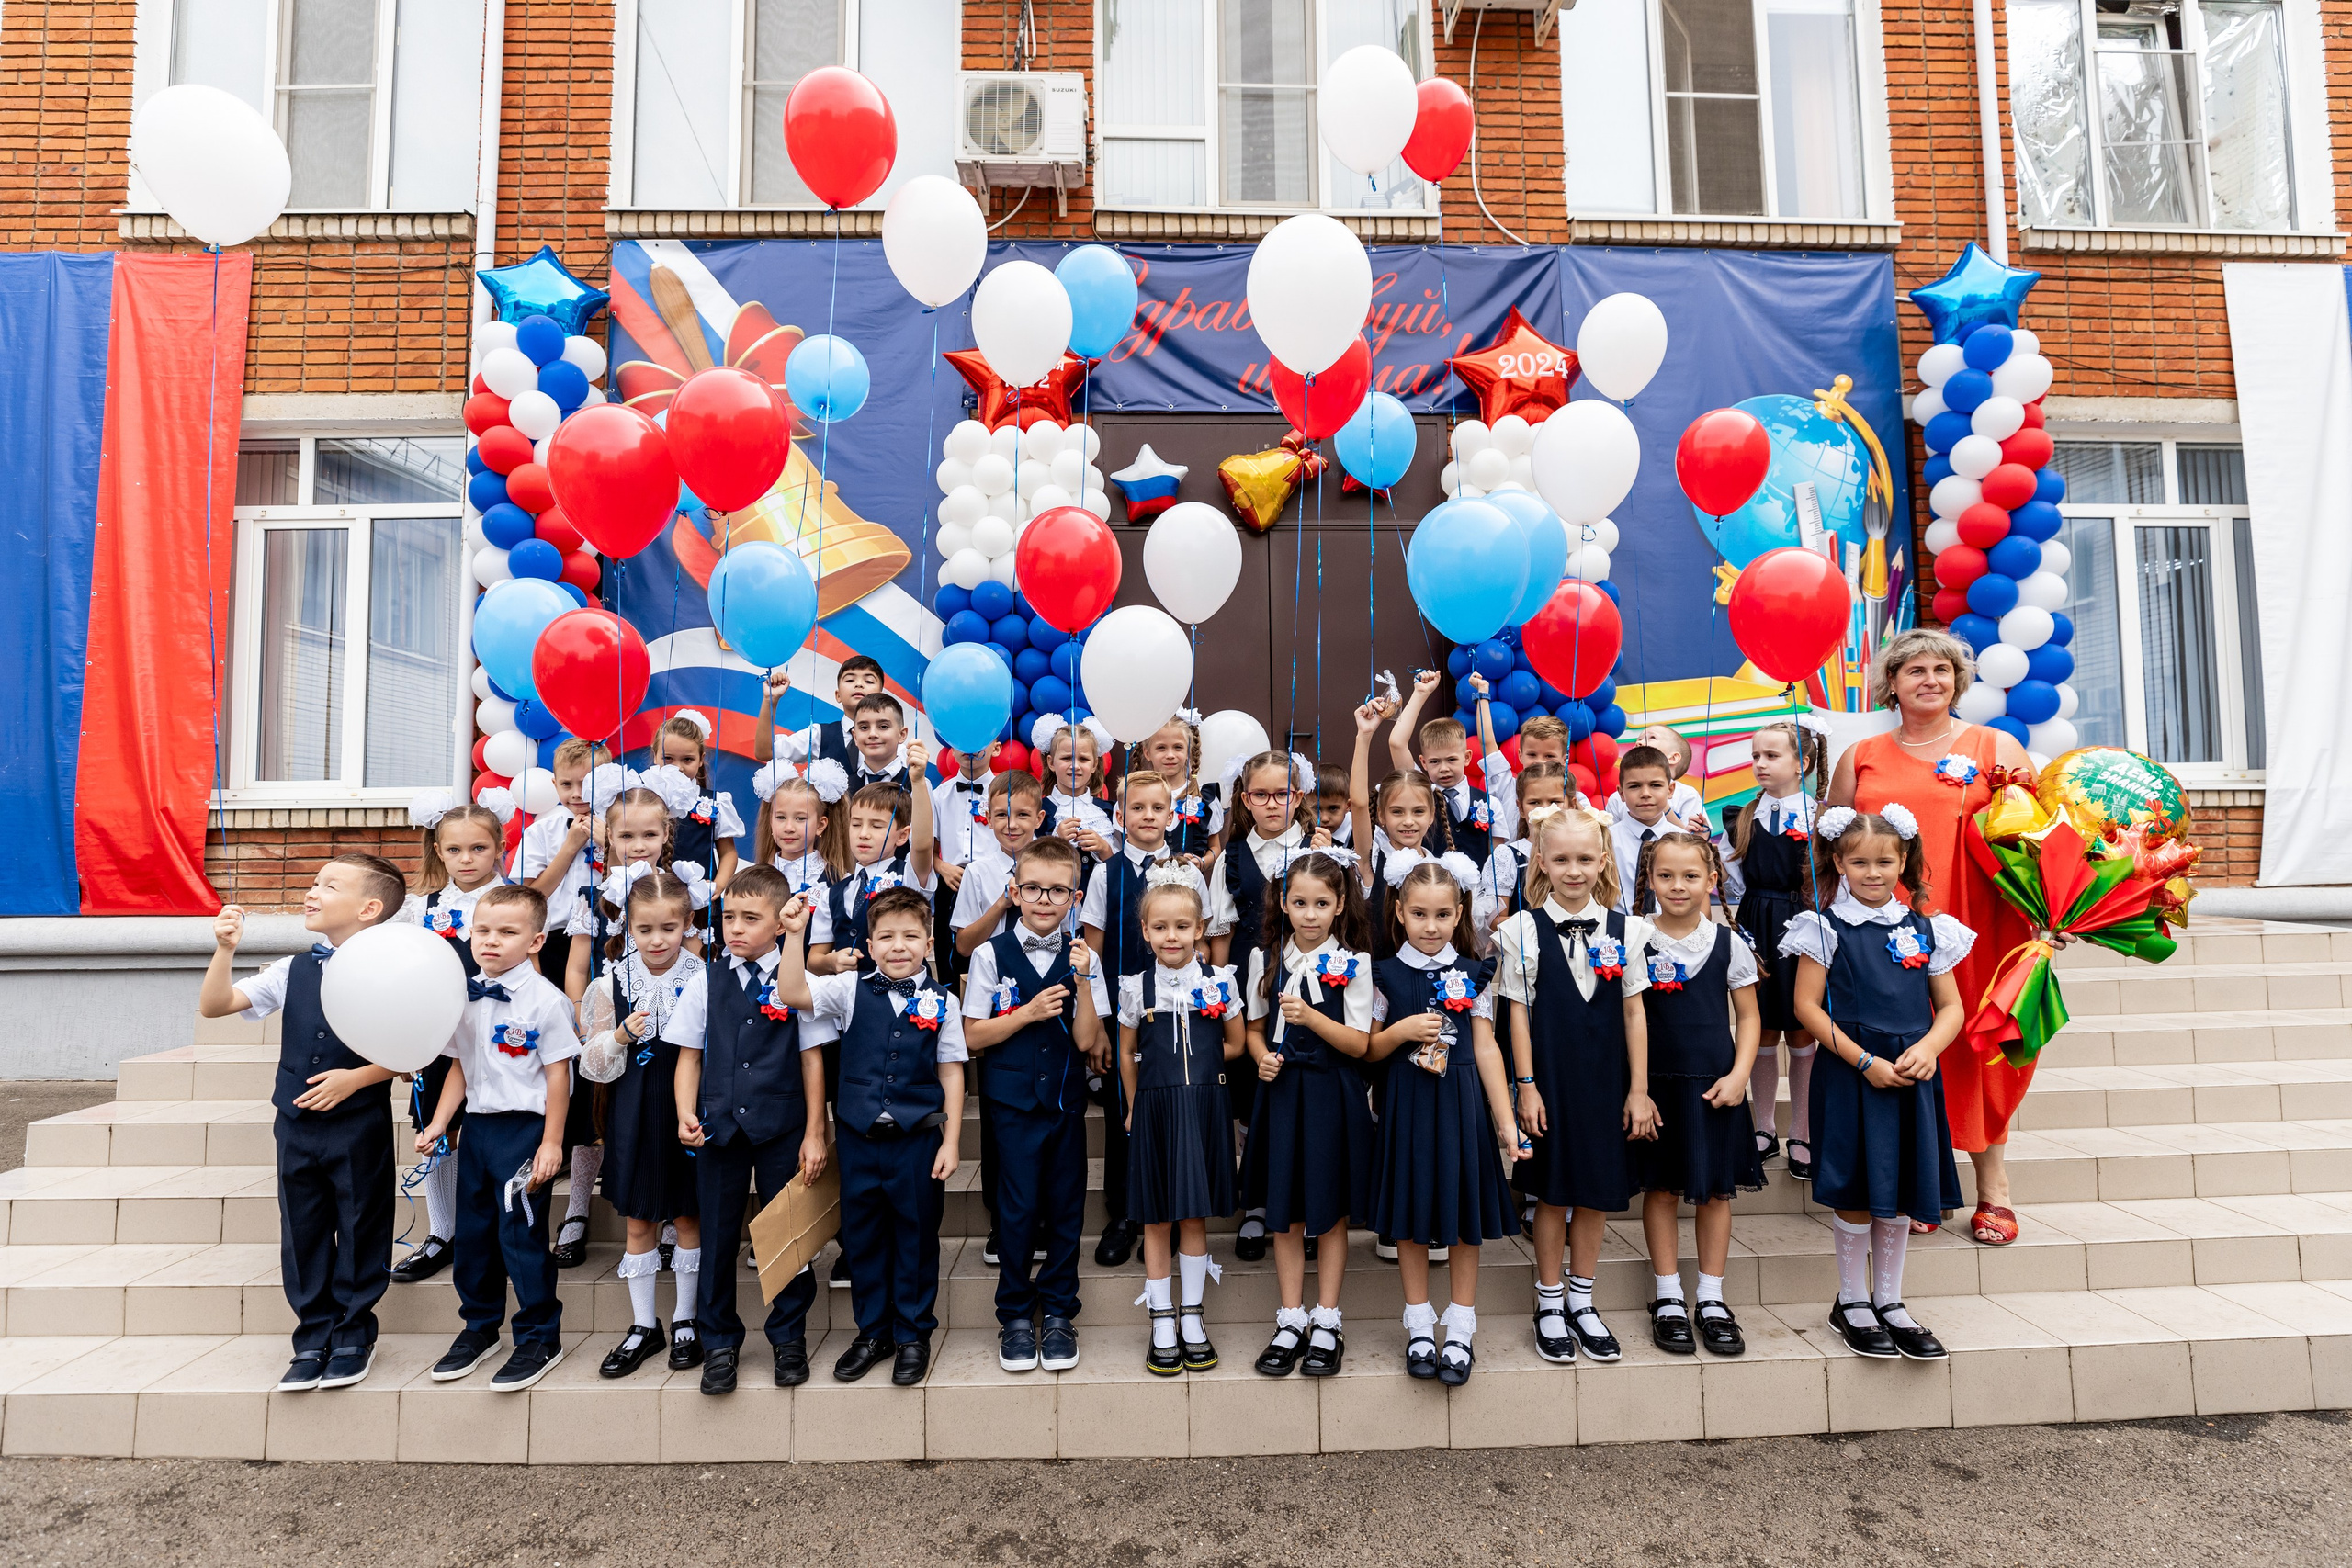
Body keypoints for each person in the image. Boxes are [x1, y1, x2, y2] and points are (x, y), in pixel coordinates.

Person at [1827, 626, 2038, 1246]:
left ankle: (1992, 1187)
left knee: (1978, 1046)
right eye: (1915, 669)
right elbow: (1831, 841)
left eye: (1942, 670)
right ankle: (1923, 1183)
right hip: (1885, 935)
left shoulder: (1995, 746)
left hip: (1981, 927)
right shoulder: (1860, 755)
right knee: (1908, 1044)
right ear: (1891, 682)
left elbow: (2042, 841)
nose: (1930, 680)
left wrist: (2058, 913)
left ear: (1957, 681)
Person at [198, 853, 407, 1393]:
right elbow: (216, 1004)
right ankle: (312, 1333)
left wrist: (356, 1079)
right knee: (303, 1227)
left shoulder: (395, 969)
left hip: (357, 1119)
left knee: (361, 1223)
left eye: (328, 885)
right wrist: (224, 949)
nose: (311, 892)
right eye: (314, 883)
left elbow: (417, 1050)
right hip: (294, 1121)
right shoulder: (294, 967)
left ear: (369, 908)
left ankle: (354, 1332)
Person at [1782, 805, 1974, 1361]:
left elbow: (1952, 1009)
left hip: (1911, 1071)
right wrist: (1863, 1061)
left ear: (1904, 861)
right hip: (1854, 1072)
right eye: (1860, 862)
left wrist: (1929, 1049)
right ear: (1838, 862)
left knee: (1898, 1192)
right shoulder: (1822, 928)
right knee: (1860, 1189)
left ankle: (1890, 1302)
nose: (1873, 872)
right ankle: (1852, 1301)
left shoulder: (1928, 929)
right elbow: (1806, 1007)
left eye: (1885, 862)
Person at [772, 886, 967, 1388]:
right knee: (863, 1239)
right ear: (869, 943)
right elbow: (793, 993)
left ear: (928, 943)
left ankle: (913, 1334)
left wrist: (951, 1141)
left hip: (918, 1140)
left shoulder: (943, 1000)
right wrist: (795, 938)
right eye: (886, 937)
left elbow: (950, 1073)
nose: (898, 946)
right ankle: (872, 1332)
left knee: (916, 1236)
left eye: (910, 936)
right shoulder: (849, 989)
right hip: (859, 1140)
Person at [1497, 806, 1654, 1365]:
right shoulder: (1520, 929)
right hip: (1552, 1080)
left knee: (1594, 1193)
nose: (1573, 870)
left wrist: (1638, 1090)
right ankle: (1549, 1300)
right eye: (1560, 859)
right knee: (1553, 1192)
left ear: (1603, 860)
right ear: (1540, 860)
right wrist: (1527, 1086)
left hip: (1606, 1079)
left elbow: (1635, 1014)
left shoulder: (1628, 929)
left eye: (1585, 859)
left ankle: (1583, 1301)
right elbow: (1516, 1015)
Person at [415, 884, 581, 1392]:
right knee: (474, 1233)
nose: (490, 941)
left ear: (535, 941)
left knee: (521, 1234)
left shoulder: (547, 1001)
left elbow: (559, 1076)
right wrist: (441, 1122)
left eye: (507, 932)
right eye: (482, 930)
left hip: (525, 1131)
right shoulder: (464, 993)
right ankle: (480, 1326)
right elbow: (461, 1066)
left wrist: (552, 1144)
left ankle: (538, 1334)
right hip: (479, 1130)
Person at [1366, 857, 1523, 1385]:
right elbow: (1368, 1050)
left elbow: (1486, 1049)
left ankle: (1459, 1326)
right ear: (1400, 913)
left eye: (1441, 915)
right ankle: (1417, 1322)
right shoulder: (1383, 973)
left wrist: (1506, 1122)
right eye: (1419, 914)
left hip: (1459, 1103)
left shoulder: (1474, 973)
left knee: (1462, 1218)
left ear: (1459, 915)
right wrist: (1402, 1031)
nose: (1430, 926)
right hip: (1406, 1103)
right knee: (1411, 1216)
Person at [673, 863, 830, 1393]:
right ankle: (718, 1341)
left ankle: (788, 1338)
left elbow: (812, 1061)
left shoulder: (797, 982)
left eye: (750, 918)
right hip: (719, 1127)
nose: (735, 927)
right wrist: (684, 1113)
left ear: (780, 923)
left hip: (783, 1126)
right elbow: (689, 1057)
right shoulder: (705, 980)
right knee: (717, 1235)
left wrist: (815, 1131)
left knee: (785, 1235)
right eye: (728, 917)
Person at [962, 837, 1108, 1373]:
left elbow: (1091, 1040)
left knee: (1067, 1207)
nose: (1044, 899)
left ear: (1074, 897)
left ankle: (1061, 1314)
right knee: (1018, 1210)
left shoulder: (1083, 957)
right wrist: (1026, 1014)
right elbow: (974, 1036)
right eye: (1033, 889)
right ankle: (1016, 1317)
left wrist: (1086, 983)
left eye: (1057, 890)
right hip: (1012, 1102)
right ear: (1015, 891)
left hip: (1065, 1100)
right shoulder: (988, 954)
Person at [560, 783, 707, 1268]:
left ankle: (671, 1228)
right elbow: (580, 966)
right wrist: (592, 1020)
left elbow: (692, 960)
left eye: (649, 834)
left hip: (673, 1043)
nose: (639, 844)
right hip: (613, 1024)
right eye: (627, 835)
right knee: (602, 1127)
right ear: (609, 836)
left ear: (666, 834)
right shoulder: (595, 893)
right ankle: (579, 1211)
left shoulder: (680, 889)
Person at [1242, 848, 1375, 1379]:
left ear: (1340, 904)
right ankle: (1290, 1317)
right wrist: (1262, 1060)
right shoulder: (1264, 957)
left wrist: (1314, 1020)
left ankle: (1327, 1319)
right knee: (1287, 1211)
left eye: (1322, 903)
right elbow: (1253, 1030)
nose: (1311, 914)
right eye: (1300, 902)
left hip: (1330, 1094)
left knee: (1329, 1210)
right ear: (1283, 901)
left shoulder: (1353, 962)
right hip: (1282, 1095)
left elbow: (1361, 1044)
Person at [1629, 831, 1763, 1357]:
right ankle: (1666, 1296)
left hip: (1715, 1087)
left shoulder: (1729, 943)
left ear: (1712, 879)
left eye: (1690, 876)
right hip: (1656, 1087)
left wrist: (1739, 1075)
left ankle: (1710, 1296)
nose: (1677, 886)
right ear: (1650, 880)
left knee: (1713, 1192)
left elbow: (1749, 1017)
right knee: (1661, 1188)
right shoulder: (1635, 937)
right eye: (1665, 875)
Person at [577, 871, 708, 1379]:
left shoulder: (703, 977)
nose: (657, 941)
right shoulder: (612, 981)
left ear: (687, 924)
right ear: (628, 927)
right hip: (632, 1111)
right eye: (645, 930)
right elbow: (591, 1064)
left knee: (688, 1214)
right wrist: (617, 1038)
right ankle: (641, 1325)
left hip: (686, 1110)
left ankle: (686, 1319)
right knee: (638, 1220)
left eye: (669, 929)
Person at [1117, 874, 1245, 1376]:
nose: (1172, 937)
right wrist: (1133, 1104)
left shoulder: (1219, 982)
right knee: (1157, 1217)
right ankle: (1161, 1318)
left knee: (1194, 1215)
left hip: (1204, 1105)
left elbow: (1234, 1043)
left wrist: (1204, 1073)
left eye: (1183, 927)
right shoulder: (1136, 986)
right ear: (1145, 931)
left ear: (1200, 929)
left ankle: (1193, 1315)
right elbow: (1127, 1054)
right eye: (1161, 927)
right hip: (1153, 1107)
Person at [1081, 770, 1208, 1272]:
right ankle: (1125, 1214)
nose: (1148, 816)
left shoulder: (1189, 873)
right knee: (1123, 1114)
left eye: (1158, 808)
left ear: (1172, 815)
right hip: (1124, 1014)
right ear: (1120, 816)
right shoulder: (1103, 874)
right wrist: (1098, 1023)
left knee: (1177, 1108)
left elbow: (1208, 940)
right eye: (1138, 808)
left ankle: (1178, 1215)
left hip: (1182, 1015)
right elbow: (1090, 953)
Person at [390, 792, 512, 1286]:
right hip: (439, 1039)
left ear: (499, 847)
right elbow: (404, 977)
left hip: (500, 1036)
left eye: (478, 849)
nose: (467, 859)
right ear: (438, 851)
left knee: (497, 1130)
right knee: (441, 1132)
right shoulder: (421, 909)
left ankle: (496, 1231)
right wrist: (400, 1043)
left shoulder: (517, 902)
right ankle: (443, 1232)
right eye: (456, 850)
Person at [1205, 750, 1311, 1262]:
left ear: (1299, 796)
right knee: (1252, 1092)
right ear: (1245, 800)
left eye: (1283, 793)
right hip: (1252, 992)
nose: (1273, 803)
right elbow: (1221, 932)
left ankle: (1305, 1205)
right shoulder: (1231, 856)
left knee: (1298, 1088)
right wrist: (1223, 991)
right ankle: (1255, 1204)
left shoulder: (1318, 850)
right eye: (1262, 795)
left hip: (1308, 987)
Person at [1721, 717, 1828, 1178]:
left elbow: (1831, 878)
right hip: (1756, 924)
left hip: (1804, 925)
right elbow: (1730, 879)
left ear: (1802, 762)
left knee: (1803, 1028)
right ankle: (1763, 1127)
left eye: (1771, 756)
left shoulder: (1823, 818)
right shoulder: (1742, 816)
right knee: (1761, 1026)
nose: (1759, 764)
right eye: (1755, 756)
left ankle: (1801, 1129)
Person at [809, 741, 938, 976]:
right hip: (851, 1001)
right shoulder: (832, 893)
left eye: (877, 825)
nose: (863, 833)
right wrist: (831, 961)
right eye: (856, 823)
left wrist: (918, 782)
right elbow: (814, 961)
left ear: (902, 836)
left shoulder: (909, 875)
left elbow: (922, 846)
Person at [1390, 671, 1513, 867]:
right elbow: (1397, 743)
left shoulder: (1491, 804)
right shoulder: (1420, 793)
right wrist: (1420, 693)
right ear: (1423, 763)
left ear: (1467, 758)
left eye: (1451, 760)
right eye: (1434, 762)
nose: (1444, 769)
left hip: (1478, 894)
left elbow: (1497, 863)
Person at [515, 738, 608, 988]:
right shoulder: (540, 833)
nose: (577, 793)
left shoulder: (622, 830)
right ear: (555, 785)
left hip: (609, 936)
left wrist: (610, 844)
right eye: (567, 784)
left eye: (587, 784)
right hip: (554, 940)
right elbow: (530, 896)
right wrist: (570, 847)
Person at [1472, 762, 1575, 936]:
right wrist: (1546, 923)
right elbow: (1494, 921)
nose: (1545, 809)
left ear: (1571, 805)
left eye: (1555, 801)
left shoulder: (1585, 851)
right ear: (1520, 808)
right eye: (1534, 802)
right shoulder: (1507, 856)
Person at [654, 710, 745, 892]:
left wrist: (717, 886)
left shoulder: (715, 802)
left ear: (701, 759)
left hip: (700, 902)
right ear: (655, 755)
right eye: (668, 758)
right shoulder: (642, 798)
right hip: (651, 897)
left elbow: (728, 853)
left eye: (687, 759)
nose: (678, 767)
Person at [753, 655, 886, 771]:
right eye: (850, 680)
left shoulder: (892, 738)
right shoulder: (818, 735)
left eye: (868, 681)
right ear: (838, 695)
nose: (859, 684)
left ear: (881, 696)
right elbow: (766, 752)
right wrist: (770, 700)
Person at [1135, 713, 1223, 870]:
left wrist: (1203, 862)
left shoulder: (1204, 798)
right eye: (1161, 748)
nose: (1170, 755)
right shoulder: (1134, 797)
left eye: (1178, 747)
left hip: (1189, 888)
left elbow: (1215, 848)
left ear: (1189, 750)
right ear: (1147, 753)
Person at [1609, 745, 1680, 913]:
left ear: (1670, 790)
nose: (1645, 793)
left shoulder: (1684, 841)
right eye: (1634, 786)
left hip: (1672, 932)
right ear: (1621, 793)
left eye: (1655, 785)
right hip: (1616, 932)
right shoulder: (1604, 840)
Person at [1036, 717, 1117, 853]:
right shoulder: (1039, 812)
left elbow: (1121, 868)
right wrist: (1055, 841)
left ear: (1094, 765)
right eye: (1066, 758)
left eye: (1083, 759)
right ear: (1051, 763)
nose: (1075, 766)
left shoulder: (1108, 811)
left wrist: (1105, 849)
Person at [1609, 723, 1706, 829]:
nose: (1639, 743)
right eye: (1634, 786)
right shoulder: (1616, 799)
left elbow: (1694, 838)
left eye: (1652, 737)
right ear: (1622, 793)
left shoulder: (1687, 795)